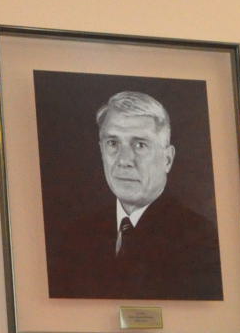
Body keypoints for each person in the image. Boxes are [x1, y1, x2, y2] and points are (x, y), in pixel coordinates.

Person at [44, 89, 224, 301]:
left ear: (167, 159)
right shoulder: (77, 238)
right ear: (101, 151)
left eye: (140, 145)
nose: (124, 160)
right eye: (113, 143)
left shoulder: (200, 241)